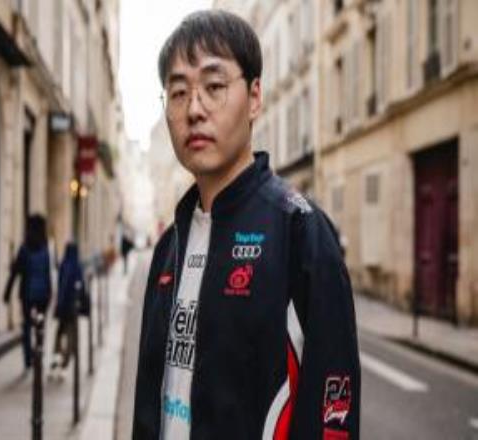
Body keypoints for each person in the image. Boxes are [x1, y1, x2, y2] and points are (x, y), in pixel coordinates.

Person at [132, 10, 360, 440]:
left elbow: (334, 419)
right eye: (178, 92)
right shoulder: (169, 246)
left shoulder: (300, 233)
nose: (193, 109)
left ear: (255, 97)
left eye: (214, 87)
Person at [4, 214, 52, 372]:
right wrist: (50, 293)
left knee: (26, 326)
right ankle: (39, 352)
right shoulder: (45, 248)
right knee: (40, 325)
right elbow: (47, 274)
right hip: (43, 294)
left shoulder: (24, 248)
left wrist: (7, 292)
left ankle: (28, 359)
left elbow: (15, 272)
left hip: (26, 294)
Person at [49, 242, 85, 379]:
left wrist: (58, 304)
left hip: (62, 306)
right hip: (72, 307)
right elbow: (81, 287)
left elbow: (60, 286)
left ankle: (56, 357)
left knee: (59, 332)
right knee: (71, 335)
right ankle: (65, 361)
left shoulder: (63, 265)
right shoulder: (77, 266)